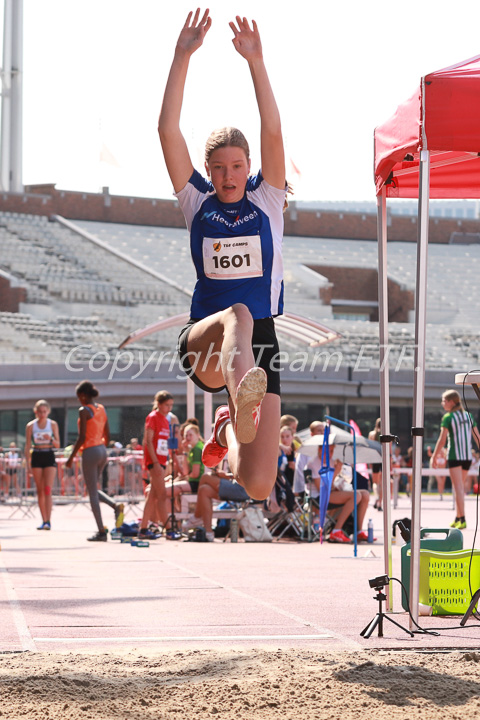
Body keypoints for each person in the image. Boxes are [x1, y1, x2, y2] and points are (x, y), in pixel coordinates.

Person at [159, 10, 287, 502]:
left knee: (257, 484)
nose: (229, 175)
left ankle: (227, 432)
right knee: (236, 312)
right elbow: (167, 129)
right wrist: (181, 56)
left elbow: (273, 130)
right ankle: (238, 397)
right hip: (207, 340)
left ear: (250, 166)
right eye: (219, 168)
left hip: (263, 340)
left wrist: (256, 62)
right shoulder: (197, 204)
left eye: (237, 166)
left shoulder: (268, 201)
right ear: (209, 172)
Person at [66, 381, 124, 542]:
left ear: (84, 395)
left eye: (79, 397)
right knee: (92, 489)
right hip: (101, 450)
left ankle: (101, 531)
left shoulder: (84, 410)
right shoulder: (101, 408)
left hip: (90, 451)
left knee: (91, 492)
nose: (79, 400)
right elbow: (108, 434)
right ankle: (115, 505)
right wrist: (100, 447)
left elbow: (82, 437)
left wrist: (71, 457)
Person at [432, 389, 480, 529]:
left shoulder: (448, 417)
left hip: (454, 456)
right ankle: (458, 517)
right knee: (458, 486)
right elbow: (477, 437)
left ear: (451, 402)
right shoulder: (468, 416)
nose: (442, 403)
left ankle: (463, 518)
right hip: (467, 457)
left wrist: (434, 456)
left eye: (444, 401)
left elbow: (442, 440)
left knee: (458, 487)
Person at [138, 390, 174, 539]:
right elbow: (148, 441)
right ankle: (169, 530)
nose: (169, 408)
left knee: (152, 496)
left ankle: (144, 528)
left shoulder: (166, 420)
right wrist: (154, 462)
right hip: (155, 462)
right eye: (167, 405)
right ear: (159, 404)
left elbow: (164, 442)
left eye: (171, 405)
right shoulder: (153, 417)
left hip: (162, 461)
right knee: (162, 495)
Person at [185, 465, 250, 541]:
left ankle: (197, 517)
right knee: (204, 490)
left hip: (244, 489)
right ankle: (208, 533)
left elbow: (246, 475)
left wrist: (226, 476)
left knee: (205, 477)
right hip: (236, 485)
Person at [25, 400, 60, 530]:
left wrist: (49, 438)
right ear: (36, 412)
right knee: (39, 490)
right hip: (37, 455)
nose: (42, 414)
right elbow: (28, 445)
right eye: (40, 412)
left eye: (44, 411)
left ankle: (49, 521)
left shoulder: (53, 424)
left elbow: (58, 444)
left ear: (48, 412)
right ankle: (43, 520)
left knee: (47, 489)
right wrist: (28, 463)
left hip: (49, 454)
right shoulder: (31, 426)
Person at [369, 418, 382, 510]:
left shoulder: (371, 434)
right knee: (382, 483)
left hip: (374, 459)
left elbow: (369, 448)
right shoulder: (386, 435)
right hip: (383, 459)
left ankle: (376, 497)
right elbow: (389, 451)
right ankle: (380, 503)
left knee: (375, 482)